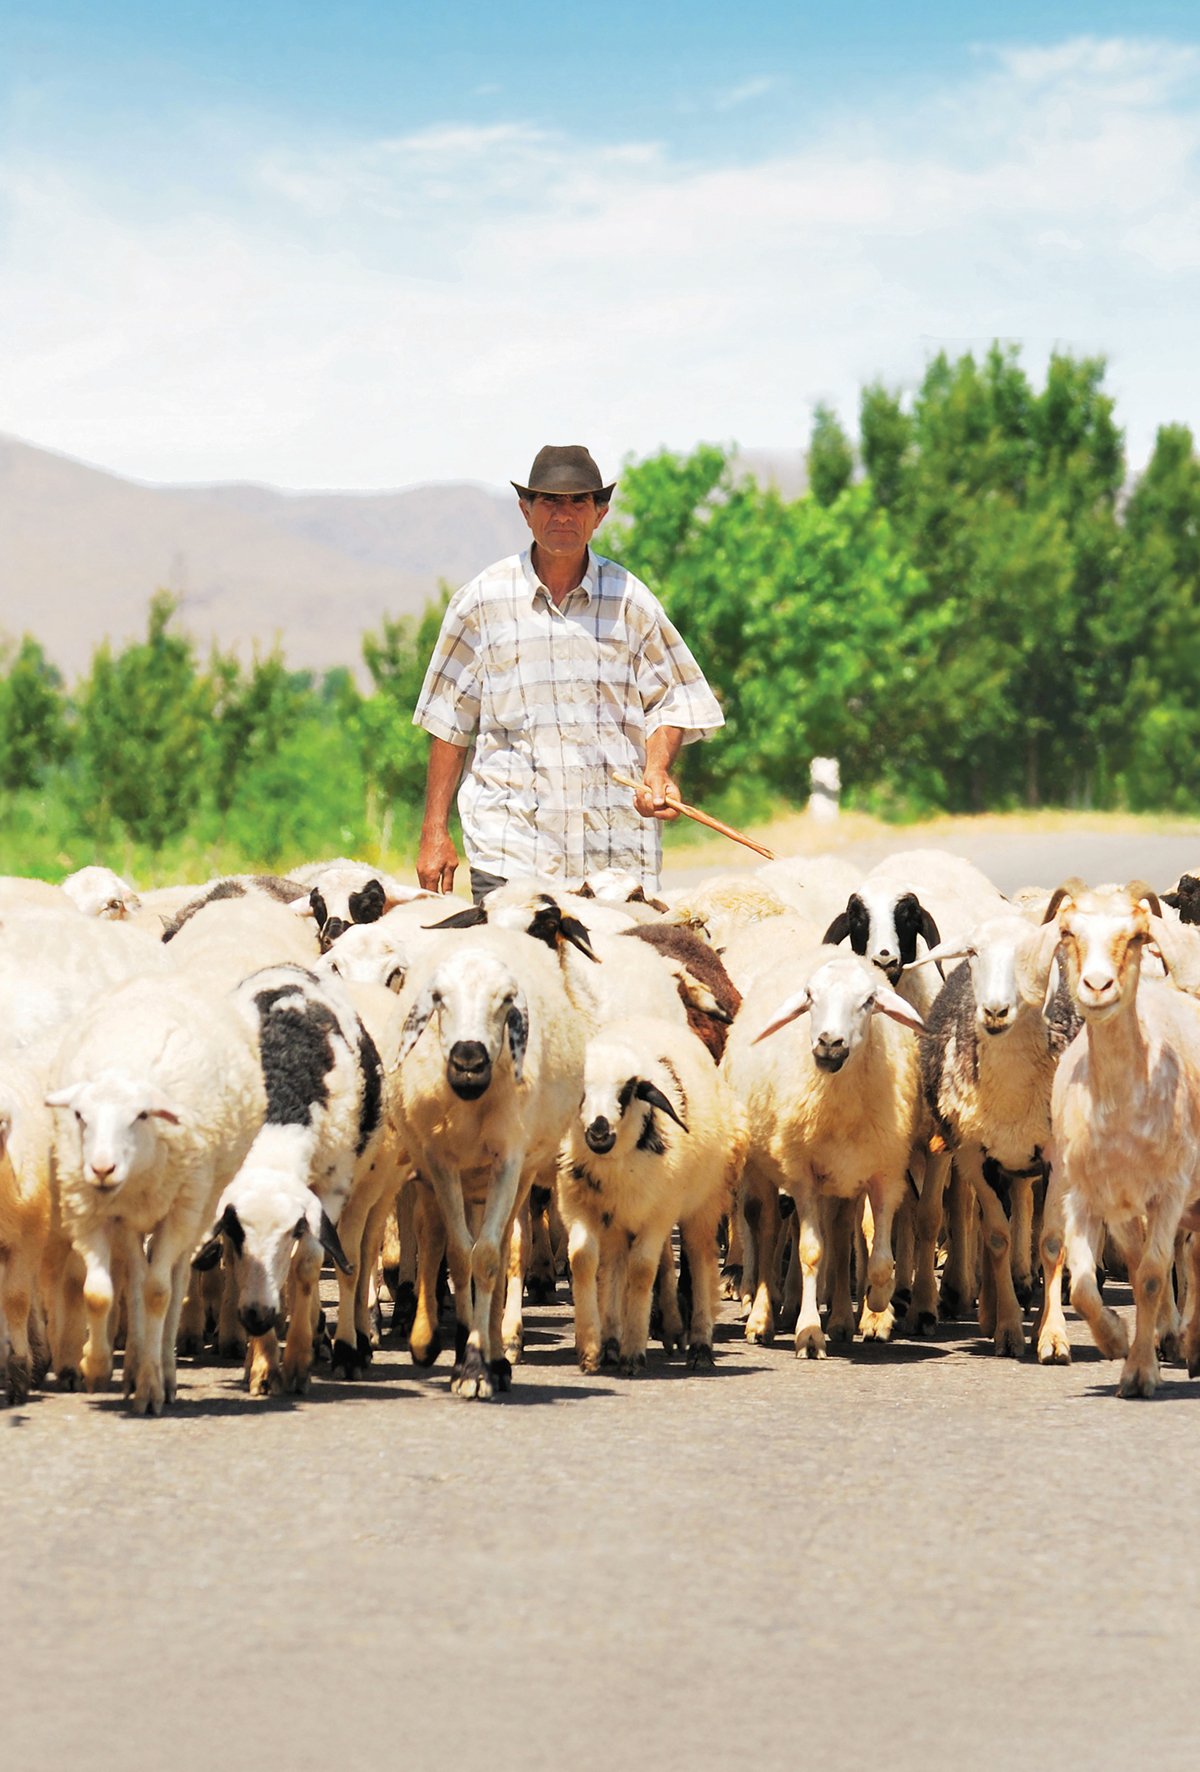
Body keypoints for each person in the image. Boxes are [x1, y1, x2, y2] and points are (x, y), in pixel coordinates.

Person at [412, 443, 723, 900]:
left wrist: (657, 771)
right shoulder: (481, 601)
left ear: (600, 514)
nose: (563, 514)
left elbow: (674, 699)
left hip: (612, 854)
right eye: (549, 501)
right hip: (510, 848)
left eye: (579, 501)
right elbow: (448, 721)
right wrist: (434, 831)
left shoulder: (630, 601)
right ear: (526, 511)